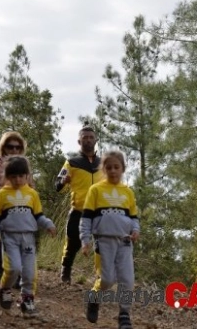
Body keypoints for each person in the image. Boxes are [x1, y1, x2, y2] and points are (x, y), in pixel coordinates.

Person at [0, 157, 56, 317]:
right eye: (13, 176)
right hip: (10, 238)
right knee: (14, 268)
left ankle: (27, 299)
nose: (17, 180)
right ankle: (4, 289)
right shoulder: (2, 194)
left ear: (27, 176)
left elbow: (39, 215)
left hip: (28, 238)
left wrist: (48, 225)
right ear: (7, 177)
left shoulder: (32, 194)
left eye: (21, 176)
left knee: (29, 271)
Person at [81, 150, 139, 329]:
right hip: (103, 241)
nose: (113, 171)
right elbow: (87, 217)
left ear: (123, 169)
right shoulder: (96, 190)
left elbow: (134, 217)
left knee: (127, 280)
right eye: (109, 167)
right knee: (107, 280)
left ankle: (124, 315)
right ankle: (94, 297)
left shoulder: (127, 192)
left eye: (116, 167)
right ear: (103, 170)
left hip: (124, 241)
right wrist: (85, 240)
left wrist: (136, 229)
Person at [0, 131, 35, 283]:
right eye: (10, 147)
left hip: (22, 205)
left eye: (18, 147)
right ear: (3, 147)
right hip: (2, 204)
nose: (14, 150)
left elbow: (31, 185)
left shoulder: (24, 164)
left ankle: (18, 274)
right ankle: (1, 269)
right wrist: (6, 193)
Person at [56, 125, 103, 284]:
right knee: (72, 242)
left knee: (101, 245)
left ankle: (100, 276)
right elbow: (57, 184)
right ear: (79, 141)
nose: (88, 140)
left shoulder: (103, 163)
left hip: (99, 212)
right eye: (85, 137)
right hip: (79, 210)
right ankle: (65, 270)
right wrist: (64, 181)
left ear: (95, 140)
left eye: (91, 137)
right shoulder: (71, 163)